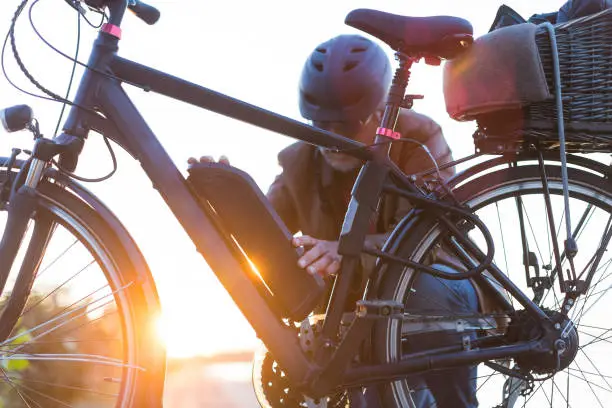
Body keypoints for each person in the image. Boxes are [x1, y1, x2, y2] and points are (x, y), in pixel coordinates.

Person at [190, 34, 479, 408]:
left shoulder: (418, 140)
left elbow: (431, 239)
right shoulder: (299, 161)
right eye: (320, 124)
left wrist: (347, 252)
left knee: (419, 295)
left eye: (345, 126)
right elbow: (264, 232)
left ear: (379, 112)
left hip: (433, 291)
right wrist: (224, 205)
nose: (331, 138)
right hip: (360, 316)